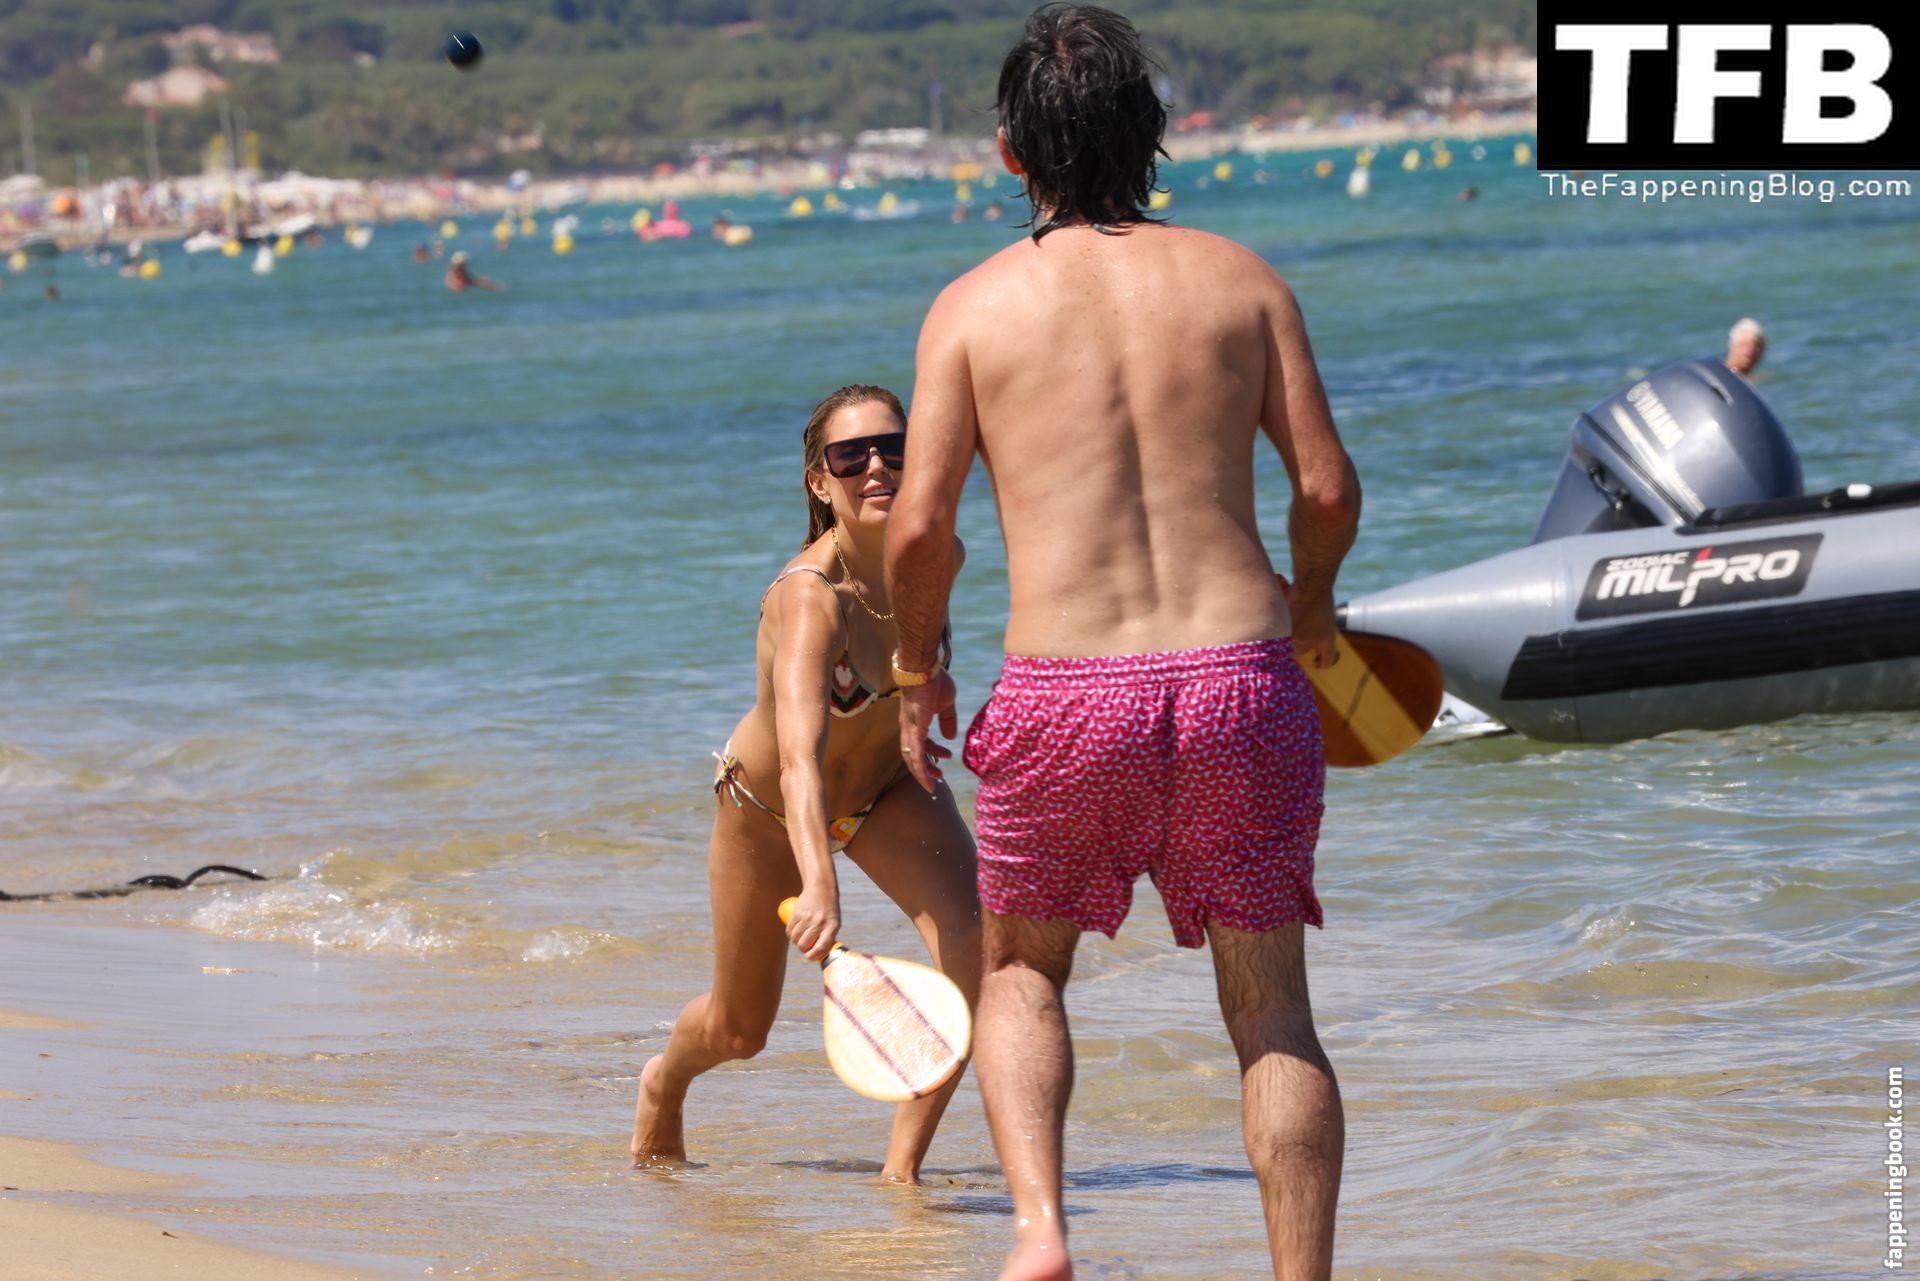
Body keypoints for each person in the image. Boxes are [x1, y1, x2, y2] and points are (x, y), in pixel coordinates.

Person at [883, 6, 1360, 1279]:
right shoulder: (1243, 283)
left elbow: (920, 530)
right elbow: (1324, 491)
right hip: (1237, 681)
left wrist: (917, 668)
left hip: (1066, 691)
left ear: (1007, 152)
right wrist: (1313, 611)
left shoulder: (972, 310)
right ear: (1154, 135)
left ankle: (1042, 1232)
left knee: (1022, 974)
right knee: (1273, 1011)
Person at [630, 385, 981, 1185]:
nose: (876, 466)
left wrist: (932, 683)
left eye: (894, 447)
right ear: (820, 482)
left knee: (977, 952)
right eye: (850, 456)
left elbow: (915, 648)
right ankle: (664, 1080)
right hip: (769, 807)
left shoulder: (941, 554)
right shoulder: (809, 597)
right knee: (739, 1030)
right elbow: (797, 755)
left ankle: (901, 1173)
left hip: (887, 790)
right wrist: (819, 881)